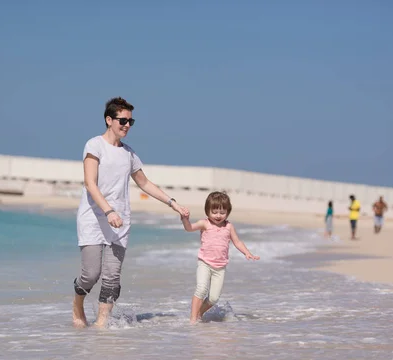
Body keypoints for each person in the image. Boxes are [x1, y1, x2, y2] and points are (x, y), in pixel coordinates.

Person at [72, 97, 189, 328]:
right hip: (94, 218)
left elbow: (145, 183)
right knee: (91, 275)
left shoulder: (129, 153)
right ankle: (77, 306)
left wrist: (172, 203)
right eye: (122, 120)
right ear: (109, 120)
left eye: (130, 121)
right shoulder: (94, 145)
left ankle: (101, 325)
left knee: (112, 277)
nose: (126, 125)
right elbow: (90, 183)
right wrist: (108, 211)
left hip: (120, 220)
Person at [180, 191, 259, 324]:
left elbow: (237, 242)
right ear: (207, 211)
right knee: (201, 288)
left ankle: (199, 313)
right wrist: (184, 219)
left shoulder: (229, 226)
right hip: (204, 263)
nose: (218, 215)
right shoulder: (205, 224)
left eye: (222, 213)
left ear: (228, 212)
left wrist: (247, 252)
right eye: (214, 212)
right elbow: (189, 228)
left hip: (220, 267)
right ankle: (193, 319)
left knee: (213, 298)